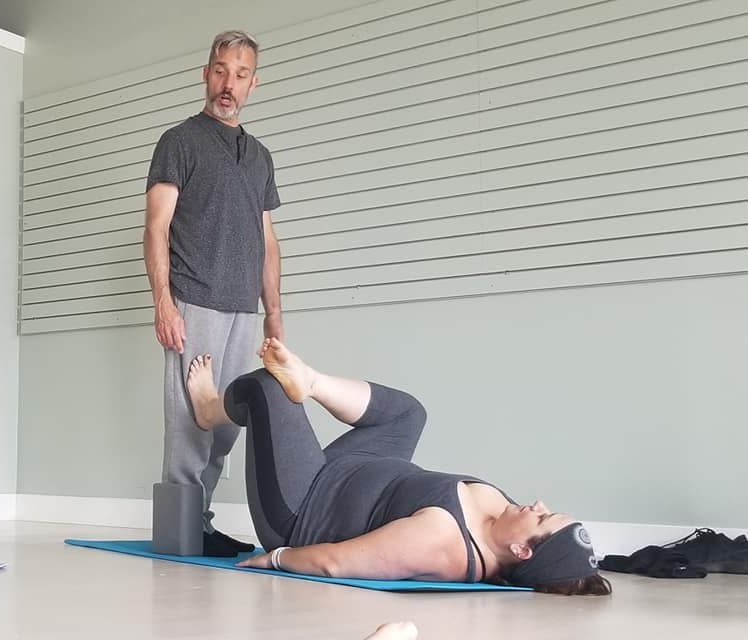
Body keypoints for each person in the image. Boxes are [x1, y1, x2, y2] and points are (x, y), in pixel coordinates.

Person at [183, 338, 612, 595]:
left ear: (521, 551)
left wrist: (275, 558)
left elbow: (336, 562)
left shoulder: (442, 545)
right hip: (359, 466)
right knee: (410, 414)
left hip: (305, 504)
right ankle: (311, 382)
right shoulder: (506, 523)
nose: (536, 503)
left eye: (542, 517)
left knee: (267, 388)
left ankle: (209, 410)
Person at [144, 29, 283, 556]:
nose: (229, 84)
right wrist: (163, 301)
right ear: (206, 74)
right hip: (194, 296)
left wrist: (274, 315)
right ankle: (178, 533)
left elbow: (269, 241)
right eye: (221, 70)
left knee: (225, 421)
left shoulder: (260, 156)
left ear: (253, 83)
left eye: (241, 74)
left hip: (243, 306)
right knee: (187, 423)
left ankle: (197, 524)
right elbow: (156, 225)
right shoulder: (180, 141)